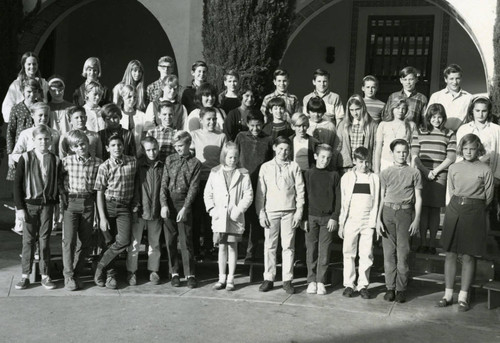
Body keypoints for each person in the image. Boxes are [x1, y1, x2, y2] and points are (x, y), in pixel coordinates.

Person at [439, 134, 493, 312]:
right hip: (455, 209)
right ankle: (447, 295)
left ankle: (463, 296)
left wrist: (474, 206)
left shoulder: (485, 169)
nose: (468, 152)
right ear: (461, 149)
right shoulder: (454, 168)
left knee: (469, 255)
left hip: (475, 210)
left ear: (479, 150)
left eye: (472, 149)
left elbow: (489, 196)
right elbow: (452, 189)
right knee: (450, 253)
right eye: (465, 148)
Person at [14, 125, 62, 290]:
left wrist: (57, 208)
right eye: (40, 139)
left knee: (44, 241)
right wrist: (20, 207)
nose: (43, 142)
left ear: (51, 140)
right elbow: (17, 185)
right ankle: (25, 275)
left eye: (46, 139)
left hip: (47, 206)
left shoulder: (55, 159)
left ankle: (45, 275)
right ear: (33, 141)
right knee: (28, 240)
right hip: (29, 206)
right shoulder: (26, 158)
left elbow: (58, 186)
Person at [256, 136, 305, 294]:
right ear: (275, 148)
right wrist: (261, 213)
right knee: (270, 246)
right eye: (281, 148)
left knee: (288, 246)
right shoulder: (266, 167)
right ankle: (269, 278)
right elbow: (260, 193)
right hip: (271, 211)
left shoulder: (294, 166)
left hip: (289, 212)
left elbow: (300, 191)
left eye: (287, 149)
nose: (284, 152)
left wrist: (299, 212)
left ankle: (287, 279)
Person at [377, 139, 422, 303]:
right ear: (392, 153)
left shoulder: (414, 173)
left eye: (404, 151)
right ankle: (390, 288)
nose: (401, 154)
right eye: (398, 151)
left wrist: (416, 219)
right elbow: (381, 197)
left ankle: (401, 289)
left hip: (405, 213)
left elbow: (418, 198)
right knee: (388, 254)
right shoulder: (386, 172)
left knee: (403, 254)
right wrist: (378, 219)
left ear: (408, 152)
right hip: (388, 212)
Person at [204, 142, 253, 291]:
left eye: (236, 157)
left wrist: (238, 210)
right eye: (230, 157)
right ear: (224, 157)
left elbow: (248, 195)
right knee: (222, 248)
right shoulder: (215, 172)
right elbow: (208, 193)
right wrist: (212, 210)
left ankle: (231, 278)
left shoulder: (243, 173)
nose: (233, 160)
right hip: (220, 217)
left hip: (234, 217)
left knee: (233, 247)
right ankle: (221, 278)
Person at [60, 130, 103, 291]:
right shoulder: (66, 161)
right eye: (76, 146)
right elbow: (59, 182)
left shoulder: (97, 163)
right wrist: (62, 202)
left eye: (83, 144)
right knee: (69, 241)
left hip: (88, 202)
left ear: (88, 143)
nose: (81, 148)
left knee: (86, 242)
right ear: (72, 148)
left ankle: (77, 273)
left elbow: (99, 188)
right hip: (71, 202)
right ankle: (68, 275)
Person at [93, 134, 137, 289]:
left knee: (124, 240)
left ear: (123, 146)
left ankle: (100, 265)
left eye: (119, 145)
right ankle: (110, 276)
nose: (116, 148)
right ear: (107, 148)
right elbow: (99, 192)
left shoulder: (132, 162)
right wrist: (102, 217)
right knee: (108, 241)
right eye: (113, 145)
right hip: (108, 206)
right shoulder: (104, 167)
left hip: (124, 207)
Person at [411, 104, 456, 254]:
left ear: (443, 117)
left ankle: (432, 244)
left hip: (440, 175)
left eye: (439, 117)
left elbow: (451, 157)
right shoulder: (420, 131)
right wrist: (425, 171)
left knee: (435, 210)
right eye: (433, 117)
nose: (436, 120)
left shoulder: (449, 133)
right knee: (423, 209)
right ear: (428, 117)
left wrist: (435, 171)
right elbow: (415, 155)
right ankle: (423, 242)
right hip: (422, 174)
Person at [160, 131, 202, 288]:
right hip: (169, 202)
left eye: (181, 145)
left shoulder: (195, 163)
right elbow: (164, 184)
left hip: (184, 203)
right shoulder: (169, 160)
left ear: (189, 143)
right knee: (170, 240)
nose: (178, 148)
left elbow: (194, 188)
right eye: (175, 146)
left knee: (186, 240)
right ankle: (174, 273)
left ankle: (190, 274)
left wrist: (185, 207)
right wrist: (163, 205)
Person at [338, 147, 380, 299]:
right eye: (361, 162)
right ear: (354, 161)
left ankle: (363, 285)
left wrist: (373, 223)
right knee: (348, 252)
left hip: (367, 221)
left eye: (367, 162)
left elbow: (376, 202)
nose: (364, 165)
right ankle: (349, 284)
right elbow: (343, 202)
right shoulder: (347, 178)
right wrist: (342, 223)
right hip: (351, 220)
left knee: (366, 253)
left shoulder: (374, 178)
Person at [234, 110, 273, 262]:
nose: (255, 129)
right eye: (252, 125)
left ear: (263, 124)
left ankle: (251, 254)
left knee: (255, 220)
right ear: (247, 124)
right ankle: (236, 251)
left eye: (258, 125)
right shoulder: (241, 137)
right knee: (239, 217)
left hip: (260, 184)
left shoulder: (268, 139)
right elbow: (234, 156)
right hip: (242, 183)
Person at [304, 144, 341, 296]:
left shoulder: (334, 175)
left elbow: (339, 198)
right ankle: (311, 280)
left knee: (324, 251)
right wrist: (303, 218)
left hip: (327, 219)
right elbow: (303, 197)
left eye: (328, 158)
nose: (325, 160)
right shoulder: (307, 174)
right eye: (322, 157)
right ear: (315, 156)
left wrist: (334, 217)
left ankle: (321, 281)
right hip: (311, 217)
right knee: (311, 250)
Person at [126, 136, 164, 286]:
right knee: (135, 242)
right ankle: (131, 271)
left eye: (154, 149)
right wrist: (135, 207)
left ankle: (153, 270)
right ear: (143, 150)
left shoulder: (162, 166)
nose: (152, 152)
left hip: (156, 209)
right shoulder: (138, 166)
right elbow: (134, 188)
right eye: (148, 150)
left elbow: (163, 188)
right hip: (140, 209)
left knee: (154, 243)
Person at [191, 107, 227, 259]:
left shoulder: (222, 136)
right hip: (198, 180)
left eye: (214, 119)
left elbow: (225, 159)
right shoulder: (194, 135)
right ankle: (195, 250)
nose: (212, 122)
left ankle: (209, 247)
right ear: (201, 120)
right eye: (208, 119)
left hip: (215, 181)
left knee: (211, 217)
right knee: (196, 216)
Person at [6, 78, 43, 181]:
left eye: (34, 91)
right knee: (20, 181)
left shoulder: (41, 107)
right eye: (28, 91)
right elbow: (10, 132)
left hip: (37, 149)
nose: (31, 94)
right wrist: (10, 155)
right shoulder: (16, 109)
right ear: (22, 91)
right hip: (20, 151)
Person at [374, 96, 417, 173]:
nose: (401, 111)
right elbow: (378, 149)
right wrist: (377, 170)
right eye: (398, 108)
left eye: (403, 108)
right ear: (392, 108)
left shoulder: (411, 125)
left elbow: (414, 150)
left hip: (404, 163)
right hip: (386, 162)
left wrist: (412, 168)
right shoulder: (383, 124)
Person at [2, 52, 48, 123]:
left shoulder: (43, 83)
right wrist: (16, 120)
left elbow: (46, 101)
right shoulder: (16, 84)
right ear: (24, 65)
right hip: (22, 121)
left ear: (37, 65)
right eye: (29, 64)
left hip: (39, 122)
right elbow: (7, 105)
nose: (32, 67)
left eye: (34, 64)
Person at [338, 94, 378, 172]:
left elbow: (375, 148)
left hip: (364, 166)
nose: (355, 113)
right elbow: (338, 146)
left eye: (357, 109)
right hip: (347, 166)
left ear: (363, 108)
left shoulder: (372, 125)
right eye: (351, 110)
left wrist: (374, 168)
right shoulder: (343, 125)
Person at [427, 64, 473, 132]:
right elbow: (428, 116)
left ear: (461, 78)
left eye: (457, 78)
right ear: (445, 79)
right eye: (451, 79)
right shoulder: (436, 96)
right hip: (440, 134)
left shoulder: (469, 97)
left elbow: (471, 120)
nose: (455, 82)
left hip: (459, 134)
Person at [119, 85, 155, 154]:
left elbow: (147, 136)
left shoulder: (142, 116)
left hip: (138, 153)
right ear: (122, 97)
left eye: (135, 97)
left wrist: (141, 151)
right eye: (129, 97)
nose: (132, 100)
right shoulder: (117, 115)